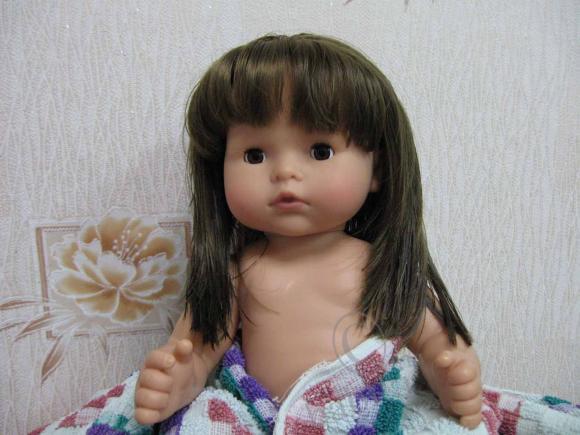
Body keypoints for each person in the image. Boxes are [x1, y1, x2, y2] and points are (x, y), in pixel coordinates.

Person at [134, 33, 482, 431]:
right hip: (263, 418)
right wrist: (178, 380)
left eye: (320, 151)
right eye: (254, 155)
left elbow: (437, 343)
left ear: (379, 170)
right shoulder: (237, 273)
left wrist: (448, 373)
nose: (285, 172)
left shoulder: (381, 267)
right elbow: (197, 350)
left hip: (361, 417)